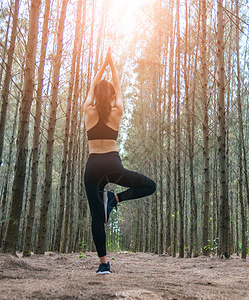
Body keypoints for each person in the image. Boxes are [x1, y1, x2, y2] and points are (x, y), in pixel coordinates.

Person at [83, 49, 156, 274]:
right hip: (113, 166)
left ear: (96, 95)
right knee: (150, 186)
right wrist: (112, 65)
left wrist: (102, 67)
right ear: (112, 96)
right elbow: (118, 86)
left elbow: (91, 88)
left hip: (93, 167)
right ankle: (115, 198)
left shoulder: (88, 109)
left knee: (97, 215)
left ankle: (104, 263)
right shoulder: (118, 110)